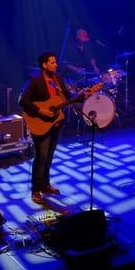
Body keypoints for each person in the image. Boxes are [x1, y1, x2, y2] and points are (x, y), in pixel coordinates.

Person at [19, 52, 85, 204]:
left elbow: (68, 98)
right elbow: (23, 100)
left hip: (55, 122)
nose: (56, 65)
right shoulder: (35, 80)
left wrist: (81, 94)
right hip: (39, 122)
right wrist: (40, 111)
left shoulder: (58, 79)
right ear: (44, 65)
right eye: (53, 62)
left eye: (56, 62)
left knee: (49, 155)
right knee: (41, 156)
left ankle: (45, 185)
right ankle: (36, 190)